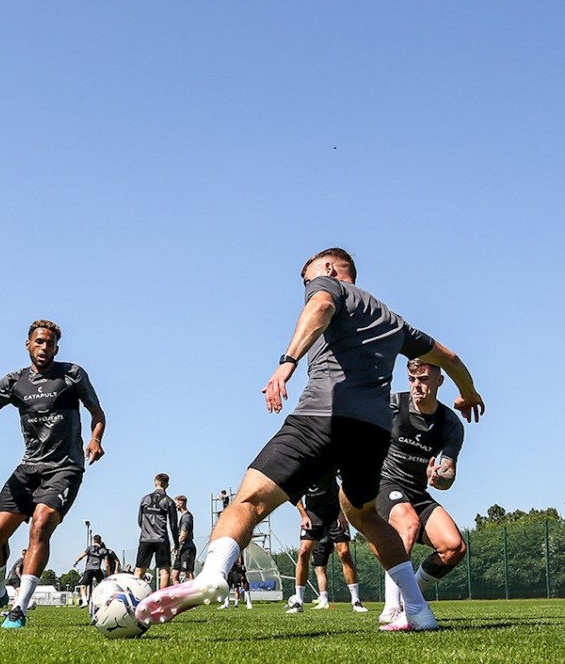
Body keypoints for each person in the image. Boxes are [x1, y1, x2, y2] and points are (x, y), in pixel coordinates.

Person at [137, 247, 484, 633]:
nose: (307, 287)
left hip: (322, 416)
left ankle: (212, 575)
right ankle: (418, 611)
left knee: (248, 501)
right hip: (372, 433)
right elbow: (449, 357)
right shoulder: (395, 322)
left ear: (331, 269)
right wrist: (469, 393)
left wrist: (287, 362)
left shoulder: (329, 286)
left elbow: (320, 305)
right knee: (367, 517)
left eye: (307, 279)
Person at [0, 319, 106, 630]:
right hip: (28, 468)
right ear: (28, 344)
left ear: (57, 348)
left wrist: (95, 439)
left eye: (50, 343)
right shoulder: (15, 381)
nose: (44, 347)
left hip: (64, 467)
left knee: (40, 526)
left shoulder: (72, 374)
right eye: (39, 342)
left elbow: (97, 413)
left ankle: (19, 608)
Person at [375, 359, 467, 622]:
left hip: (417, 492)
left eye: (424, 379)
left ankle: (410, 597)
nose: (417, 385)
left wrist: (439, 477)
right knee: (408, 525)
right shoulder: (393, 404)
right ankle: (392, 608)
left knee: (454, 547)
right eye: (412, 379)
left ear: (439, 381)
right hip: (384, 483)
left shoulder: (450, 423)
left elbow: (449, 474)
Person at [286, 472, 366, 614]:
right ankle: (298, 602)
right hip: (313, 513)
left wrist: (342, 512)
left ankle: (356, 601)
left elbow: (344, 485)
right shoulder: (301, 468)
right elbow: (295, 494)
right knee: (303, 552)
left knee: (344, 552)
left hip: (334, 512)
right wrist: (304, 515)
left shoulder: (328, 464)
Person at [135, 473, 179, 590]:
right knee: (164, 572)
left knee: (139, 571)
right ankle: (160, 600)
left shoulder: (144, 499)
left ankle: (135, 596)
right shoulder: (169, 501)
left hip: (145, 539)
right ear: (167, 485)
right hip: (161, 539)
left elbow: (139, 520)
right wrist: (176, 543)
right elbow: (173, 525)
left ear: (155, 482)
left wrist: (146, 530)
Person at [74, 535, 108, 607]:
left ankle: (84, 601)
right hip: (97, 569)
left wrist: (76, 561)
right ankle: (102, 600)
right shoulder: (103, 550)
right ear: (100, 540)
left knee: (83, 586)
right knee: (103, 585)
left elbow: (82, 556)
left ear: (93, 540)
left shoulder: (90, 548)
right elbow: (106, 564)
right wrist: (108, 573)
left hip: (89, 569)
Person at [172, 496, 197, 584]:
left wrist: (174, 546)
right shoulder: (183, 517)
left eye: (176, 503)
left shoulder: (187, 517)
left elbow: (183, 535)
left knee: (188, 574)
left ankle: (193, 591)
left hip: (187, 549)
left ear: (181, 504)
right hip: (181, 549)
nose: (175, 506)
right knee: (174, 574)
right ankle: (177, 592)